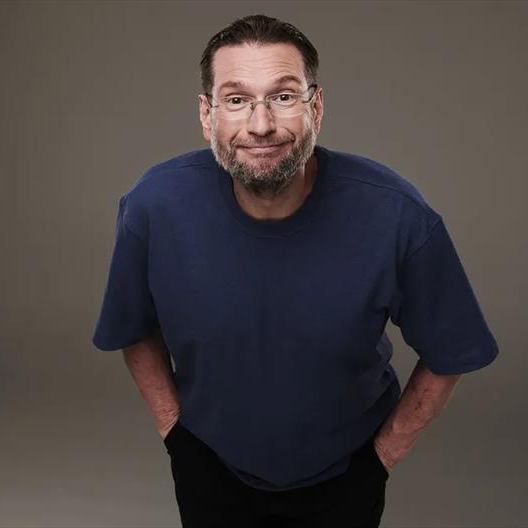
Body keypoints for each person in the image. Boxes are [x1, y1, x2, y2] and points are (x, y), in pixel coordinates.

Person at [92, 14, 499, 528]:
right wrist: (175, 434)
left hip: (347, 476)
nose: (260, 125)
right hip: (208, 467)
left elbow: (451, 351)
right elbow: (133, 326)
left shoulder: (396, 215)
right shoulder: (153, 206)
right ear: (206, 114)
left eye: (283, 97)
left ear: (316, 106)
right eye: (236, 100)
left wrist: (380, 461)